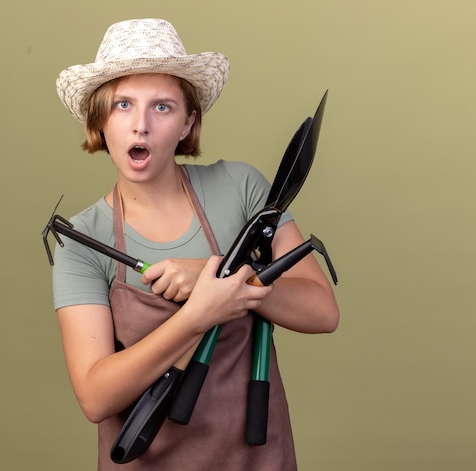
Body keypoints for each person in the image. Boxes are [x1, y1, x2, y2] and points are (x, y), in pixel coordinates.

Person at [52, 18, 339, 470]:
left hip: (256, 455)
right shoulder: (84, 241)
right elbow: (94, 395)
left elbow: (323, 312)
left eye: (162, 107)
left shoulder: (241, 188)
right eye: (123, 104)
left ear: (188, 122)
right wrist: (198, 315)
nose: (140, 126)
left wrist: (226, 276)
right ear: (100, 120)